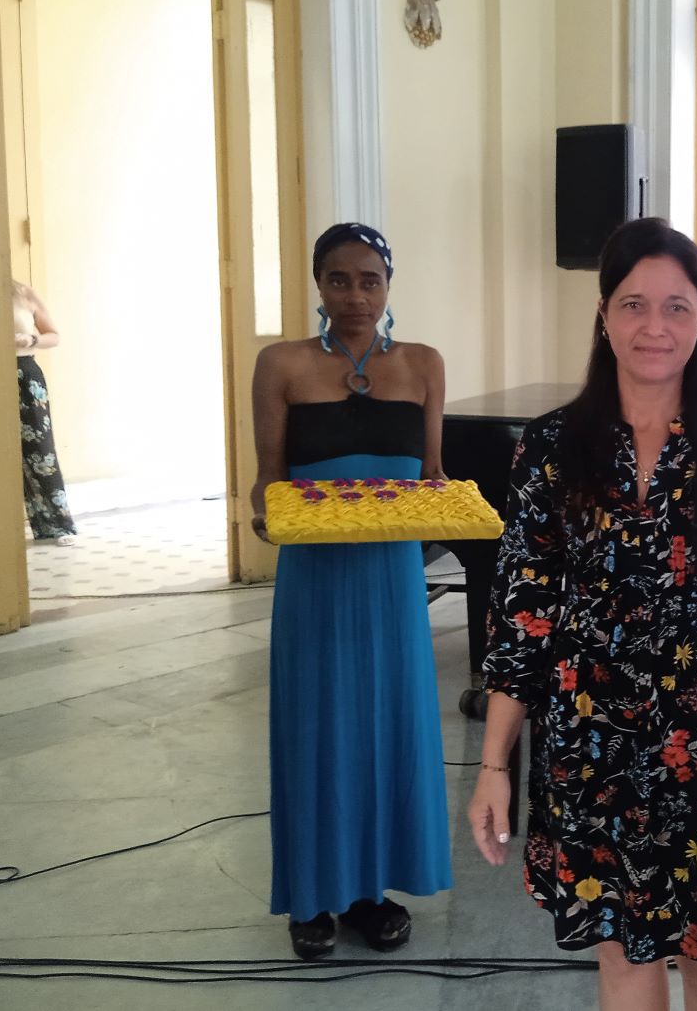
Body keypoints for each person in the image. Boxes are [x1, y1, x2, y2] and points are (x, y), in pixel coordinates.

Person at [467, 217, 697, 1011]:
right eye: (634, 304)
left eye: (678, 306)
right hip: (591, 746)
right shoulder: (552, 445)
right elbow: (523, 614)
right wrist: (493, 764)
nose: (656, 326)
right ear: (604, 314)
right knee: (622, 965)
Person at [250, 222, 453, 960]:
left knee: (390, 728)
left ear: (389, 285)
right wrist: (268, 515)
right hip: (315, 580)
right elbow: (267, 480)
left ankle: (371, 891)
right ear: (319, 284)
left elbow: (432, 476)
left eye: (370, 280)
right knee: (316, 729)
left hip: (393, 579)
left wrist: (450, 507)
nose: (356, 295)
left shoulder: (423, 364)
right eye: (339, 279)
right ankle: (312, 895)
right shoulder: (281, 364)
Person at [12, 280, 77, 544]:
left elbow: (53, 335)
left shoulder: (22, 292)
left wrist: (31, 339)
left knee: (40, 450)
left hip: (25, 373)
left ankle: (56, 525)